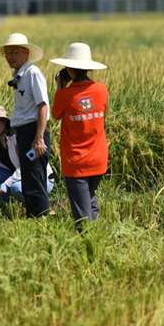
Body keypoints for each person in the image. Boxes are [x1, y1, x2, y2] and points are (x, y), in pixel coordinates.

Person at [0, 33, 52, 218]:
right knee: (28, 178)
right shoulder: (18, 76)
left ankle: (42, 217)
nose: (9, 57)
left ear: (25, 53)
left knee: (35, 175)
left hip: (33, 132)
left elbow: (43, 106)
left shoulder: (33, 73)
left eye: (14, 52)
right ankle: (33, 216)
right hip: (22, 133)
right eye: (7, 53)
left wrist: (38, 138)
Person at [49, 43, 109, 231]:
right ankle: (95, 238)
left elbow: (56, 115)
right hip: (98, 160)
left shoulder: (64, 95)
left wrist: (60, 87)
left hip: (76, 162)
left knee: (81, 216)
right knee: (89, 200)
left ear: (69, 69)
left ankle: (88, 245)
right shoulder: (102, 90)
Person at [0, 104, 55, 204]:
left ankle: (38, 205)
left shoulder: (16, 137)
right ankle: (1, 204)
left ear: (4, 121)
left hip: (38, 177)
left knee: (16, 188)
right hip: (17, 177)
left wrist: (6, 184)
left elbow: (26, 165)